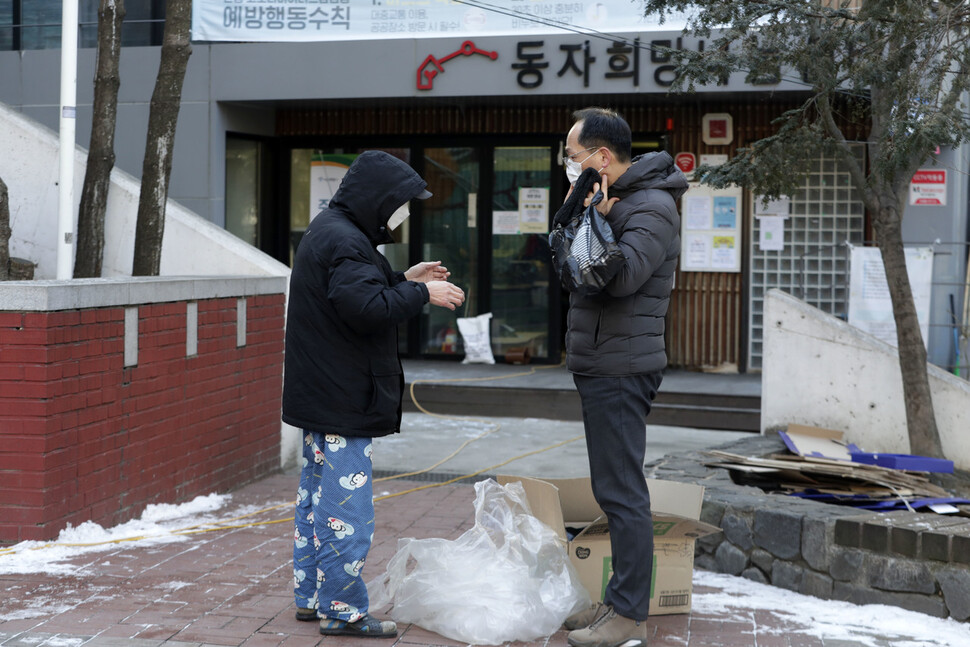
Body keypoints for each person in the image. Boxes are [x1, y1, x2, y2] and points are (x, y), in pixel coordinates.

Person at [282, 150, 465, 638]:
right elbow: (364, 308)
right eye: (400, 203)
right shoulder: (346, 240)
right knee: (346, 513)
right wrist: (424, 295)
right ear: (378, 199)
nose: (403, 213)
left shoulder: (333, 231)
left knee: (316, 501)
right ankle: (342, 610)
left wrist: (407, 279)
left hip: (322, 393)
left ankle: (311, 595)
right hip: (342, 398)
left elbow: (353, 294)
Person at [557, 108, 689, 647]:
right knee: (612, 487)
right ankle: (617, 599)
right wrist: (591, 216)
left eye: (573, 157)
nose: (569, 166)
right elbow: (568, 264)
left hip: (621, 365)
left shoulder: (652, 207)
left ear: (601, 157)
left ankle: (629, 611)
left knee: (622, 489)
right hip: (602, 360)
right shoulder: (618, 203)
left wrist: (598, 219)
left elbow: (618, 278)